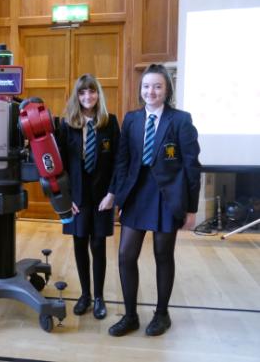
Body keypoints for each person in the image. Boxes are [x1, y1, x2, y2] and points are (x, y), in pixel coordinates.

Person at [108, 64, 201, 337]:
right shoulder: (132, 119)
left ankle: (162, 314)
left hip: (167, 197)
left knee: (163, 255)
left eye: (158, 86)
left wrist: (191, 208)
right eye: (147, 86)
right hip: (137, 194)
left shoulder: (181, 120)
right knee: (126, 255)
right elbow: (122, 161)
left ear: (167, 90)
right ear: (141, 89)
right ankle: (130, 316)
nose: (151, 91)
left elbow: (192, 166)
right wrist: (118, 194)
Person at [58, 74, 120, 320]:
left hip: (102, 197)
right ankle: (84, 295)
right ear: (77, 95)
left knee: (98, 245)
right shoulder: (67, 124)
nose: (87, 97)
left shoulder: (110, 122)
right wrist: (66, 197)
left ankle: (98, 297)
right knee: (80, 244)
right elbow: (59, 165)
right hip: (77, 198)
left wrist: (113, 193)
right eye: (82, 92)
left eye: (92, 92)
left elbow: (119, 162)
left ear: (98, 94)